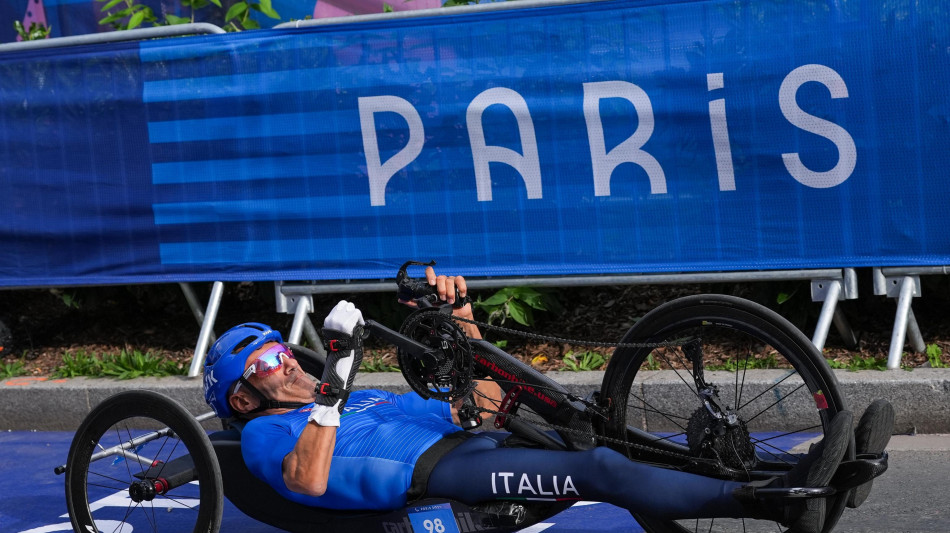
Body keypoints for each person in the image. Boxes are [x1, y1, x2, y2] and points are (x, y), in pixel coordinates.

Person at [202, 268, 894, 533]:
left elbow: (484, 399)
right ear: (241, 393)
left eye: (286, 348)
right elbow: (309, 479)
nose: (287, 360)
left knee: (603, 431)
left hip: (480, 439)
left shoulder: (363, 400)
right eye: (267, 359)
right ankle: (781, 503)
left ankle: (806, 468)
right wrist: (333, 384)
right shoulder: (268, 435)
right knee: (597, 468)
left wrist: (462, 319)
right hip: (448, 475)